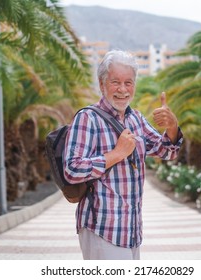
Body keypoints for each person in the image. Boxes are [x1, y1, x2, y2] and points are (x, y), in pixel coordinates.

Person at [64, 50, 183, 260]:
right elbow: (72, 169)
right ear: (102, 85)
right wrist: (116, 154)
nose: (122, 89)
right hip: (101, 227)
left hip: (131, 230)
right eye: (115, 82)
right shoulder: (87, 118)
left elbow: (167, 151)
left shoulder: (135, 118)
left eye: (128, 82)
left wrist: (172, 126)